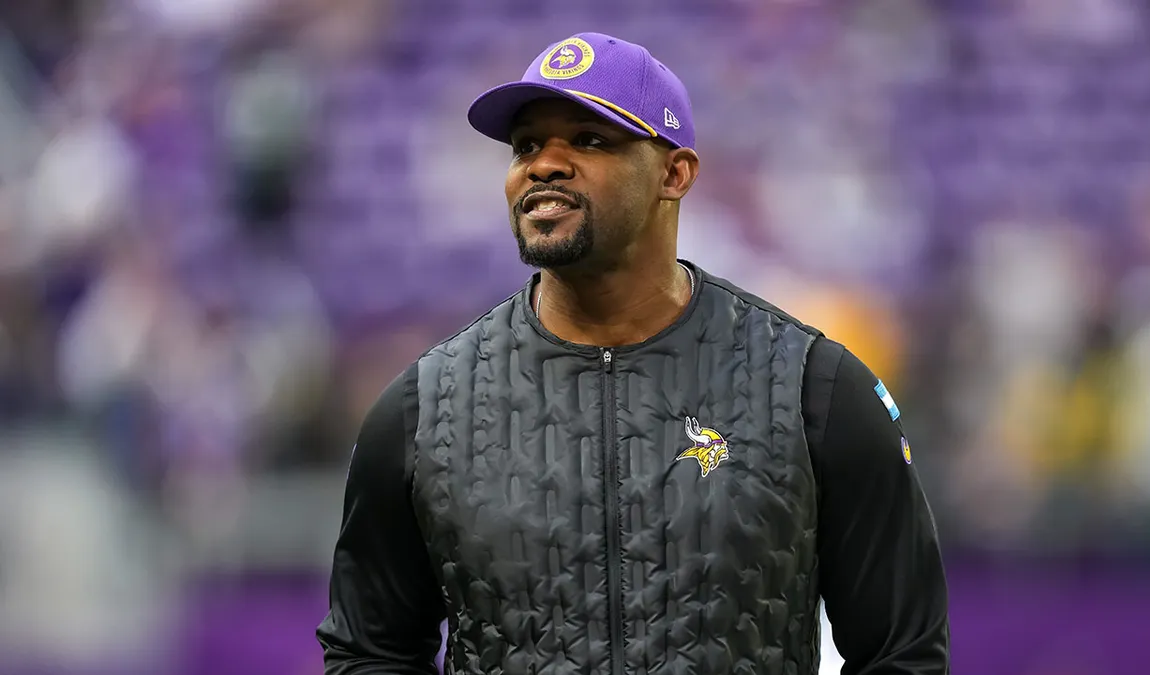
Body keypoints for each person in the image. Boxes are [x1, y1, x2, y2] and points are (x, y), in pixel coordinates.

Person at [316, 32, 950, 675]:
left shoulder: (813, 386)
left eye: (590, 140)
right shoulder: (427, 407)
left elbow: (903, 654)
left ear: (675, 174)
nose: (544, 165)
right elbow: (369, 652)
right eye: (526, 145)